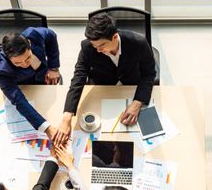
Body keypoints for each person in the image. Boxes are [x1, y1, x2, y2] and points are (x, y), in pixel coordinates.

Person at [54, 13, 156, 146]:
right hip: (102, 87)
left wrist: (137, 103)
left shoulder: (138, 42)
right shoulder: (88, 47)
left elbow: (149, 74)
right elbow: (78, 78)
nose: (97, 50)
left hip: (131, 85)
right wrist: (67, 117)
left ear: (114, 37)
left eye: (101, 46)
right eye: (94, 46)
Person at [0, 27, 61, 139]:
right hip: (23, 85)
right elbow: (19, 101)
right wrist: (45, 127)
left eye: (28, 57)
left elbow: (51, 35)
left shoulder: (33, 34)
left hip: (43, 77)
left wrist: (53, 67)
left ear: (29, 43)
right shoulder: (2, 71)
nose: (25, 64)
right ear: (8, 57)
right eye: (18, 63)